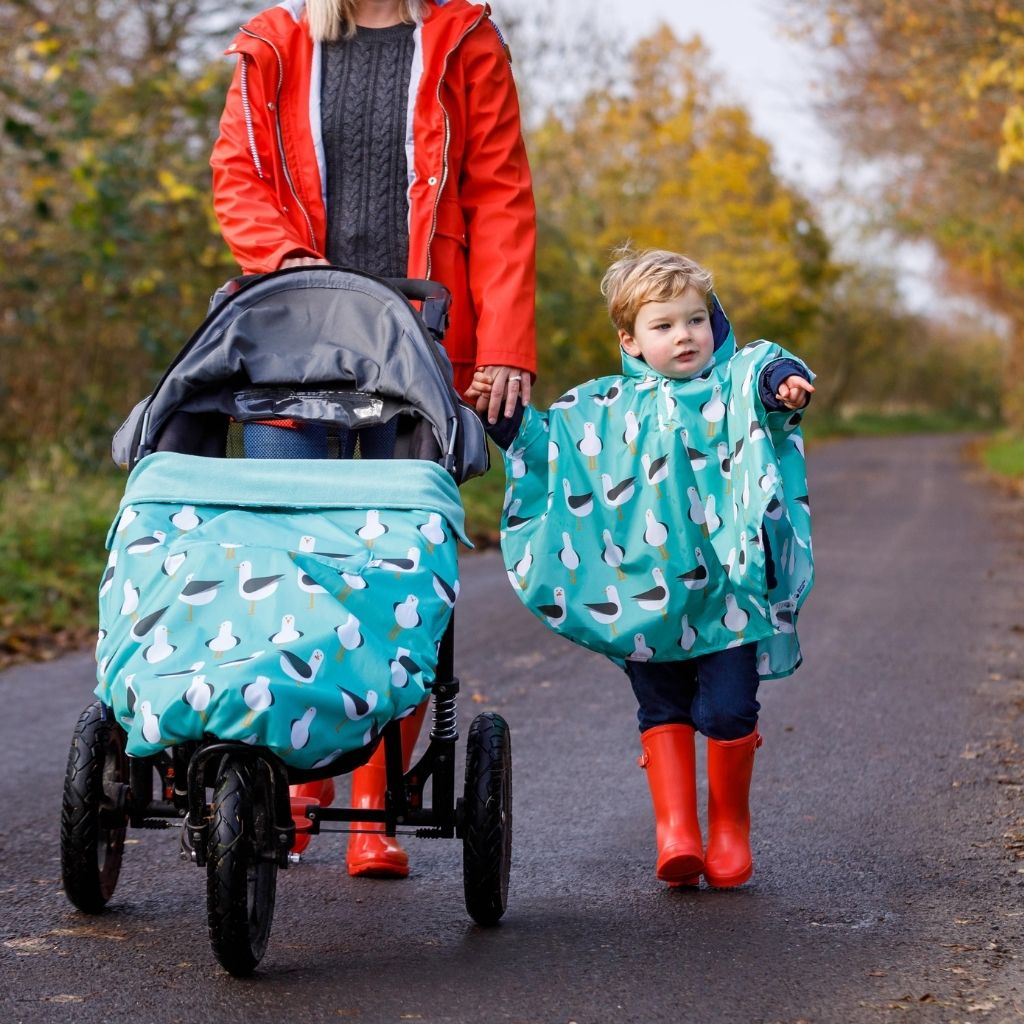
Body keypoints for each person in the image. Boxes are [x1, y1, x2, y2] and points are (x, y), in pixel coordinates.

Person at [209, 0, 537, 878]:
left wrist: (504, 343)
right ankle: (293, 777)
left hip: (421, 340)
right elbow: (238, 176)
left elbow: (501, 194)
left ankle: (370, 803)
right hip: (292, 337)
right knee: (290, 564)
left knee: (393, 571)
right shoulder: (276, 42)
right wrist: (282, 261)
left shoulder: (463, 38)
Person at [469, 247, 815, 889]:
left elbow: (766, 372)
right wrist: (505, 415)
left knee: (729, 711)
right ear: (629, 338)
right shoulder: (603, 407)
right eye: (664, 326)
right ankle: (678, 833)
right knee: (663, 707)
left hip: (729, 594)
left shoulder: (732, 386)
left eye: (695, 321)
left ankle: (731, 832)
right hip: (644, 599)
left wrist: (783, 383)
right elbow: (550, 449)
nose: (684, 336)